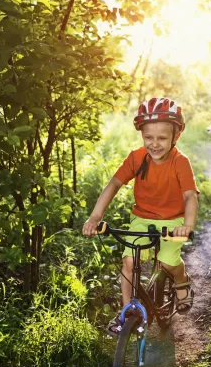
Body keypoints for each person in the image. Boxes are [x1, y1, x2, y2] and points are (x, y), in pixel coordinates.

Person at [82, 97, 199, 336]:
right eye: (148, 138)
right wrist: (95, 217)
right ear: (142, 136)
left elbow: (189, 196)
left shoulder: (180, 162)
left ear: (175, 137)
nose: (154, 144)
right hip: (143, 219)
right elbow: (114, 183)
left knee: (167, 261)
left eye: (162, 138)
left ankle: (181, 280)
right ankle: (127, 311)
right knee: (129, 261)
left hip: (173, 220)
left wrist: (187, 225)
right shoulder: (136, 158)